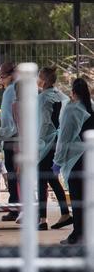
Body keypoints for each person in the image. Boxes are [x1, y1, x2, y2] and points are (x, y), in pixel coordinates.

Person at [54, 78, 94, 245]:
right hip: (91, 156)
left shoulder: (71, 109)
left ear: (73, 92)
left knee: (77, 200)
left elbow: (64, 137)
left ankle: (77, 235)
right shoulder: (90, 106)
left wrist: (58, 161)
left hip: (77, 158)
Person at [37, 66, 72, 231]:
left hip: (46, 143)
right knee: (51, 177)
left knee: (41, 179)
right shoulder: (61, 95)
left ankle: (42, 219)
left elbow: (43, 124)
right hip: (59, 141)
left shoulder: (43, 98)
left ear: (43, 81)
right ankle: (65, 213)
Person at [0, 62, 20, 221]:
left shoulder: (10, 90)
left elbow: (6, 118)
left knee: (12, 173)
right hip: (24, 137)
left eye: (2, 77)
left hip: (12, 138)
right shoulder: (24, 88)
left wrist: (0, 136)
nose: (1, 80)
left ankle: (15, 207)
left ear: (10, 75)